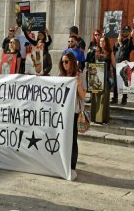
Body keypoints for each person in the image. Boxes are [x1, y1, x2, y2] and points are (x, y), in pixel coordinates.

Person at [58, 52, 86, 181]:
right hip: (62, 113)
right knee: (62, 138)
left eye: (67, 62)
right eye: (63, 62)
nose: (64, 65)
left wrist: (79, 84)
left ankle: (72, 166)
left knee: (73, 140)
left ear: (73, 62)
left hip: (74, 112)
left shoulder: (79, 75)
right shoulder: (60, 76)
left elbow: (83, 96)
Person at [112, 25, 134, 105]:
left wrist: (130, 37)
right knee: (116, 82)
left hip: (125, 65)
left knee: (124, 81)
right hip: (116, 64)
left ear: (129, 33)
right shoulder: (117, 42)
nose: (124, 33)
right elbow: (114, 51)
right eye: (124, 31)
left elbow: (127, 48)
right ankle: (115, 98)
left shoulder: (128, 42)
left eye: (127, 31)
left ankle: (124, 99)